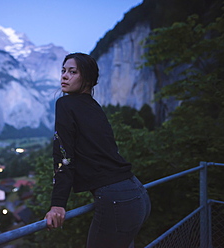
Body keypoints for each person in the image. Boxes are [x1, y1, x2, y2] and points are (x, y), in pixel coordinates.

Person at [44, 52, 151, 248]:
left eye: (72, 72)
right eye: (63, 71)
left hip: (118, 200)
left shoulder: (65, 103)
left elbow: (64, 156)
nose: (64, 76)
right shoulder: (94, 106)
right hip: (137, 193)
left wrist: (58, 204)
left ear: (87, 78)